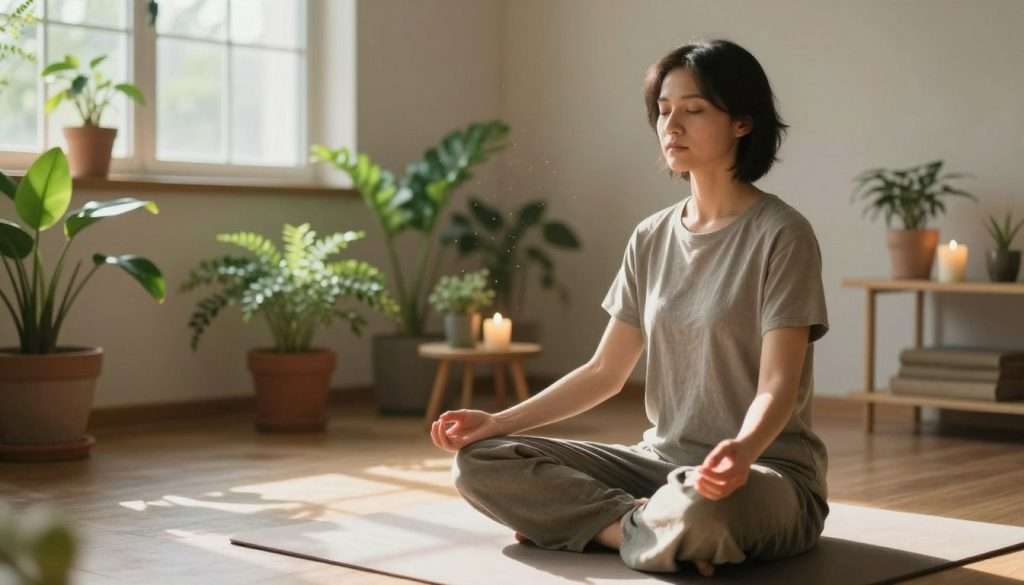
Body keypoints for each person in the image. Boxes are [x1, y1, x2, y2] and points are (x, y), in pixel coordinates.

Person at [429, 38, 830, 578]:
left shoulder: (783, 235)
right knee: (480, 462)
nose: (672, 126)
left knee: (704, 507)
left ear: (742, 122)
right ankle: (636, 530)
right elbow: (603, 372)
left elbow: (777, 386)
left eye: (693, 110)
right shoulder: (651, 236)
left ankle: (597, 526)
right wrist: (496, 421)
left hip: (761, 474)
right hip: (658, 469)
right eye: (663, 112)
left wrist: (741, 450)